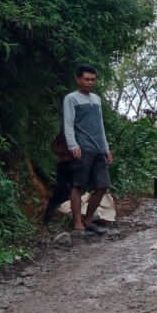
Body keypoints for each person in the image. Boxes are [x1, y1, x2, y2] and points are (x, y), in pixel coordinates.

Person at [61, 64, 114, 236]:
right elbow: (68, 123)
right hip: (82, 148)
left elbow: (100, 126)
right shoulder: (71, 99)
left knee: (102, 186)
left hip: (98, 149)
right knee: (78, 185)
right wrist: (73, 145)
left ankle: (88, 219)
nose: (90, 83)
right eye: (87, 79)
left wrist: (106, 148)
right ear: (78, 80)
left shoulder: (96, 100)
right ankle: (77, 223)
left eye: (93, 80)